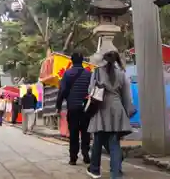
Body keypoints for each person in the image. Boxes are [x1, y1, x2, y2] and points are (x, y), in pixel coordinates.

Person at [86, 50, 135, 179]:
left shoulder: (96, 72)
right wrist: (127, 113)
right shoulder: (121, 74)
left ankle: (95, 170)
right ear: (116, 60)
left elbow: (91, 90)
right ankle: (115, 174)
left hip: (101, 108)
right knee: (114, 143)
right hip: (117, 109)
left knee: (98, 140)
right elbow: (126, 96)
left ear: (104, 59)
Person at [55, 51, 92, 165]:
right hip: (86, 107)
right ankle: (86, 155)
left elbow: (62, 91)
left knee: (74, 133)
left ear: (71, 61)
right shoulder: (89, 74)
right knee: (86, 132)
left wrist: (59, 106)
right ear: (82, 61)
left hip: (73, 107)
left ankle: (73, 158)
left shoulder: (67, 74)